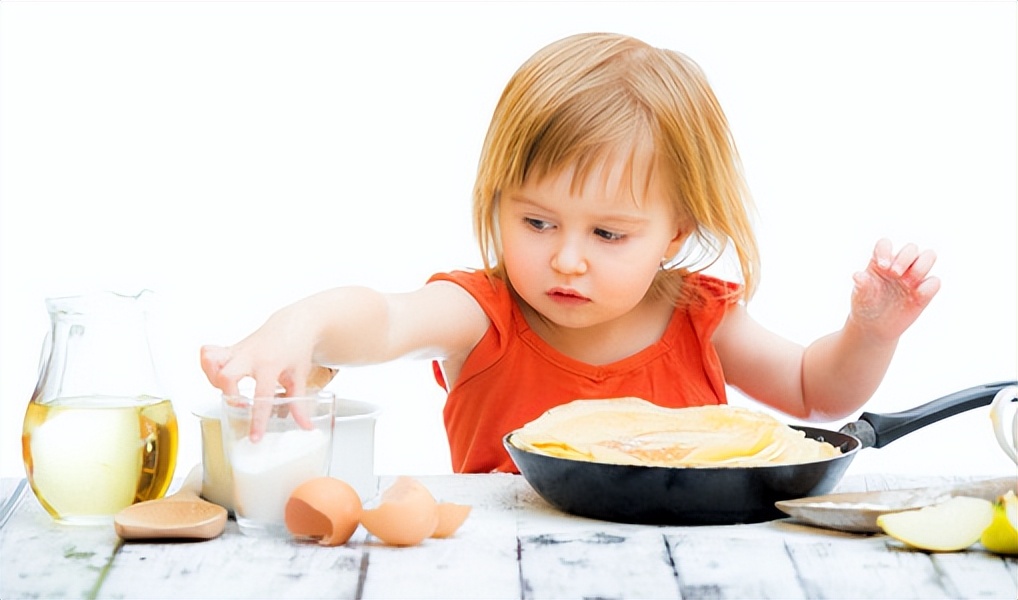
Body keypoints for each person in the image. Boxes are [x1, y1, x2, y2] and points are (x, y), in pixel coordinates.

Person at [200, 32, 940, 473]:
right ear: (497, 200)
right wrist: (302, 325)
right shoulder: (483, 314)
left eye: (608, 234)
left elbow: (817, 393)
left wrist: (870, 333)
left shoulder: (699, 317)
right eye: (537, 222)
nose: (567, 260)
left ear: (676, 232)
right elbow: (385, 320)